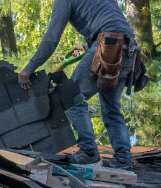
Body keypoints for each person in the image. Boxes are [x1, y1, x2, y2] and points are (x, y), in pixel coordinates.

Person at [18, 0, 135, 170]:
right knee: (111, 109)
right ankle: (124, 159)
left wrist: (28, 69)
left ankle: (88, 153)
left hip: (107, 46)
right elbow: (113, 24)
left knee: (71, 97)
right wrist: (88, 45)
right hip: (128, 50)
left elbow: (51, 38)